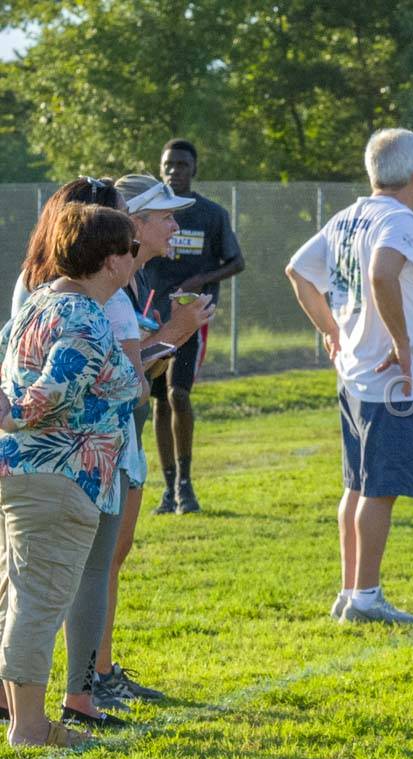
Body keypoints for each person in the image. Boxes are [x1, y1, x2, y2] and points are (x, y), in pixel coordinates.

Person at [286, 127, 413, 625]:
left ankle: (351, 590)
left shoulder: (346, 217)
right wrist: (402, 345)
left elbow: (297, 271)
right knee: (378, 491)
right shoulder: (400, 219)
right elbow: (381, 272)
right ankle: (366, 597)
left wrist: (332, 330)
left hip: (355, 371)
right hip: (389, 376)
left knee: (357, 486)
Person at [0, 204, 146, 748]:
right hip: (60, 479)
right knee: (38, 602)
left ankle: (24, 720)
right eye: (131, 251)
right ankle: (30, 728)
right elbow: (59, 381)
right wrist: (16, 413)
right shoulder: (85, 314)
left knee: (21, 596)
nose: (135, 260)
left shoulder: (39, 302)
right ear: (109, 260)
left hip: (25, 472)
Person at [92, 174, 214, 710]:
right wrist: (176, 331)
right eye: (164, 215)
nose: (176, 225)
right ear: (133, 224)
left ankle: (98, 671)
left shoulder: (137, 282)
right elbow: (117, 369)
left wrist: (170, 330)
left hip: (123, 434)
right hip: (97, 442)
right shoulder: (108, 284)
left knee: (111, 560)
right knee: (93, 563)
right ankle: (86, 680)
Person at [145, 138, 245, 515]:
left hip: (192, 315)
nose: (174, 172)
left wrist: (200, 279)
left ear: (194, 169)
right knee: (157, 401)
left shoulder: (210, 214)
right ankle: (169, 489)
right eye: (168, 165)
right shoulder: (149, 213)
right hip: (152, 317)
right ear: (160, 168)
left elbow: (237, 262)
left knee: (178, 395)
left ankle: (187, 485)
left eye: (182, 165)